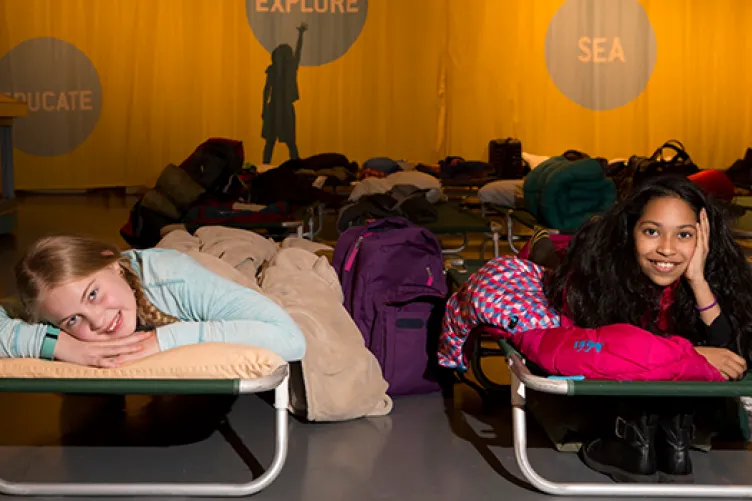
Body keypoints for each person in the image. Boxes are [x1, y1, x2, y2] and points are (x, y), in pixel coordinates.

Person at [540, 175, 752, 483]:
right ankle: (635, 439)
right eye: (652, 231)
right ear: (630, 231)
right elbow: (601, 351)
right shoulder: (594, 273)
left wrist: (698, 281)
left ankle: (664, 440)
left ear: (704, 238)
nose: (666, 249)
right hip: (602, 398)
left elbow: (732, 357)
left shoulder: (714, 274)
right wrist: (689, 354)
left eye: (684, 235)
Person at [0, 235, 306, 368]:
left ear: (111, 263)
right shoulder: (51, 302)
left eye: (93, 294)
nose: (98, 321)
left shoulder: (174, 281)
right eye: (73, 320)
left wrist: (166, 338)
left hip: (190, 271)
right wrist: (63, 345)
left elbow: (291, 338)